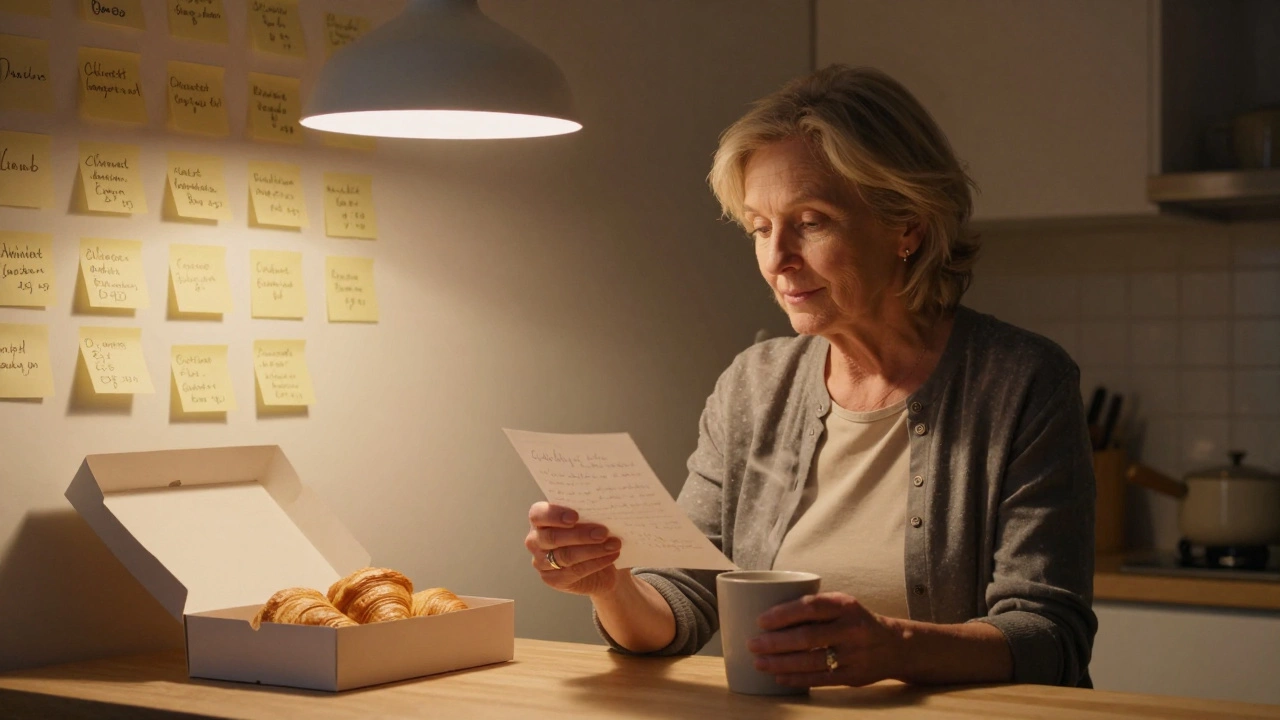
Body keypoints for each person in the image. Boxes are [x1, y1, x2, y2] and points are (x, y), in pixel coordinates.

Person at [524, 65, 1096, 689]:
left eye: (811, 221)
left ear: (907, 224)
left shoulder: (1022, 382)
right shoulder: (753, 386)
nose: (776, 261)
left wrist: (895, 647)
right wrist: (611, 586)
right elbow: (684, 603)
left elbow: (1050, 638)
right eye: (760, 229)